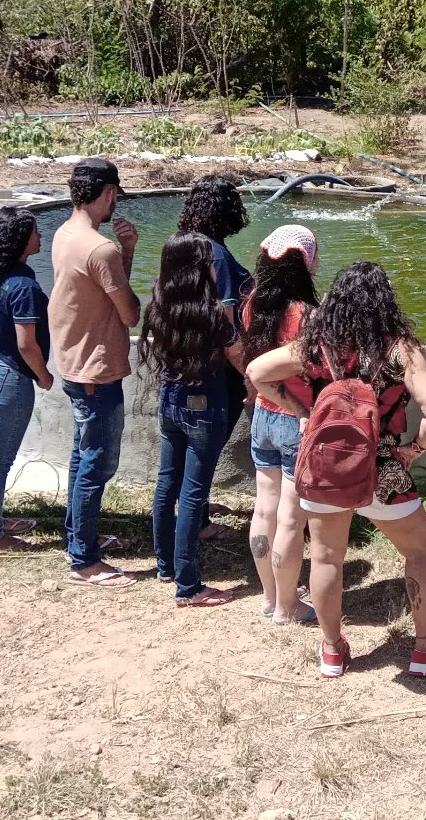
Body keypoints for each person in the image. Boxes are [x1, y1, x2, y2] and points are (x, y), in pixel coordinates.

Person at [247, 261, 426, 679]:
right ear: (386, 303)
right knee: (420, 551)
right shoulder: (399, 349)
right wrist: (415, 448)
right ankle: (425, 649)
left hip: (325, 465)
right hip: (382, 467)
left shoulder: (314, 345)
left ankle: (332, 651)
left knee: (327, 557)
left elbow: (257, 371)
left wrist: (303, 413)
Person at [139, 232, 245, 606]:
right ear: (199, 270)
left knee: (166, 484)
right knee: (193, 493)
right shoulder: (212, 316)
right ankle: (189, 586)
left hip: (170, 402)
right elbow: (241, 359)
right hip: (205, 407)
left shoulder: (158, 307)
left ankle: (165, 566)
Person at [50, 159, 140, 587]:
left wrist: (124, 253)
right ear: (107, 193)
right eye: (115, 194)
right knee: (96, 465)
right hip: (96, 372)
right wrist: (127, 254)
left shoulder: (64, 235)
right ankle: (85, 560)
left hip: (73, 365)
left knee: (79, 457)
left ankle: (78, 538)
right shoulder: (100, 249)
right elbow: (130, 314)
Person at [242, 225, 319, 624]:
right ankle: (288, 607)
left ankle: (271, 598)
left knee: (264, 510)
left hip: (262, 418)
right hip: (295, 421)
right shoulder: (305, 315)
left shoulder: (252, 303)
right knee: (291, 518)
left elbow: (254, 366)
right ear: (304, 264)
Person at [0, 207, 53, 552]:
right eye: (35, 232)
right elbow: (26, 344)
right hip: (8, 377)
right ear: (19, 240)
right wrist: (44, 376)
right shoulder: (23, 285)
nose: (41, 236)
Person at [177, 175, 252, 539]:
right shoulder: (217, 254)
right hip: (219, 368)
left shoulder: (183, 246)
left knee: (189, 448)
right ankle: (199, 521)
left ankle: (196, 504)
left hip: (187, 359)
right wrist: (247, 370)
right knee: (208, 444)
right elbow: (226, 322)